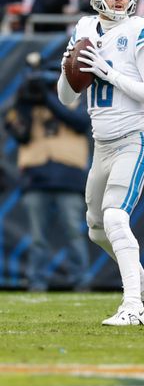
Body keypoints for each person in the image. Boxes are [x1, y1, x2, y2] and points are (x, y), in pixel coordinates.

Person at [57, 0, 144, 326]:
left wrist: (109, 73)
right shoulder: (85, 28)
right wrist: (66, 71)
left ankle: (133, 307)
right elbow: (66, 99)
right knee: (95, 226)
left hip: (135, 139)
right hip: (102, 145)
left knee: (115, 216)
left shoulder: (142, 30)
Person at [4, 55, 90, 292]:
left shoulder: (77, 100)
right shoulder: (30, 101)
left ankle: (81, 282)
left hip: (68, 176)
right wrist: (26, 98)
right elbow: (19, 132)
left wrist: (48, 98)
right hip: (37, 177)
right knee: (37, 238)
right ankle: (36, 282)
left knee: (74, 234)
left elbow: (81, 123)